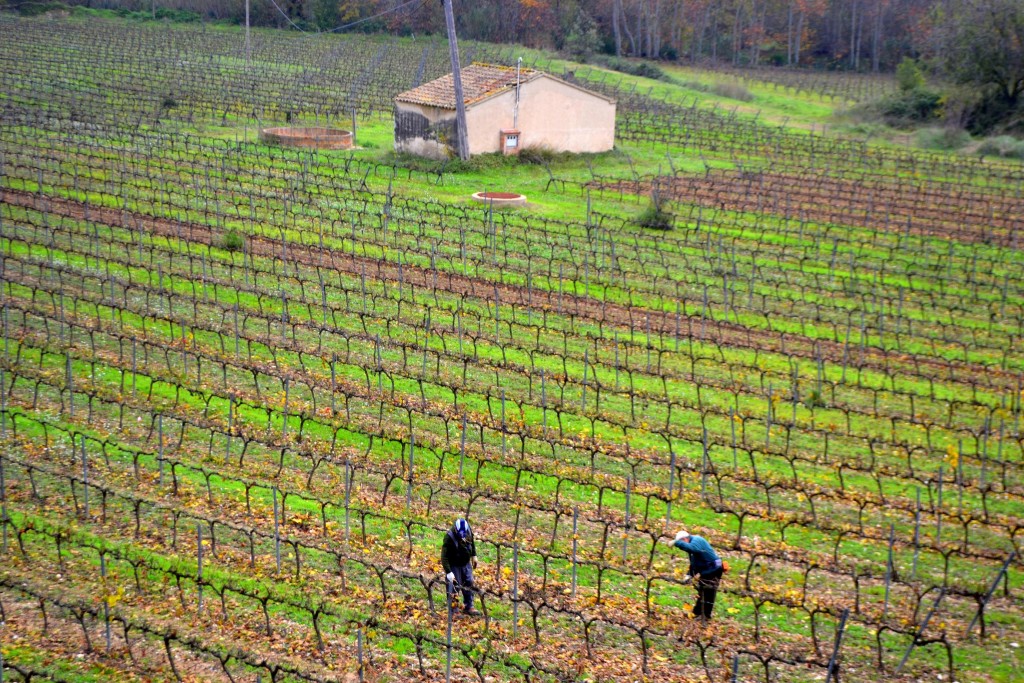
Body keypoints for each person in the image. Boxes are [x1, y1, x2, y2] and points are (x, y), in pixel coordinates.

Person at [667, 529, 724, 621]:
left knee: (709, 592)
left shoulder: (697, 540)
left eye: (682, 545)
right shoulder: (692, 547)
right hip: (707, 570)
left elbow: (692, 548)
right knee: (702, 591)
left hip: (714, 569)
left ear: (685, 539)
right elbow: (695, 564)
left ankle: (706, 616)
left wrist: (676, 542)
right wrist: (689, 575)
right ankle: (697, 613)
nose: (683, 549)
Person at [441, 518, 479, 616]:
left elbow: (471, 542)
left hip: (466, 563)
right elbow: (444, 557)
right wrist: (448, 572)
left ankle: (468, 606)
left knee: (469, 582)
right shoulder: (449, 537)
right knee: (454, 585)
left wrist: (474, 555)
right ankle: (454, 609)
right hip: (454, 564)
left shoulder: (468, 530)